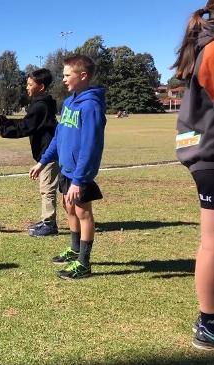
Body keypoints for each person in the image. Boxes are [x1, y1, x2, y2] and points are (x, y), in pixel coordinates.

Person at [29, 55, 106, 280]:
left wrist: (79, 180)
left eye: (66, 75)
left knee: (83, 212)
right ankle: (74, 250)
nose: (63, 79)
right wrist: (43, 161)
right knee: (69, 209)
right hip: (66, 169)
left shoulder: (91, 106)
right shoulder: (70, 102)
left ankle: (84, 263)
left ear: (82, 76)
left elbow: (90, 146)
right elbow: (59, 137)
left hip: (79, 174)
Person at [172, 0, 214, 350]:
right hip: (211, 157)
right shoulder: (213, 49)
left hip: (204, 154)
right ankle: (209, 322)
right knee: (212, 240)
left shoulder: (205, 44)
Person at [0, 68, 59, 237]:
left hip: (49, 152)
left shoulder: (40, 105)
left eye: (30, 84)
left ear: (41, 87)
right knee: (48, 187)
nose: (26, 87)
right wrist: (7, 122)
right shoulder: (41, 102)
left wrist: (3, 129)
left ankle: (49, 224)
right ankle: (47, 221)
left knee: (47, 188)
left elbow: (26, 128)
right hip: (47, 151)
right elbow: (28, 122)